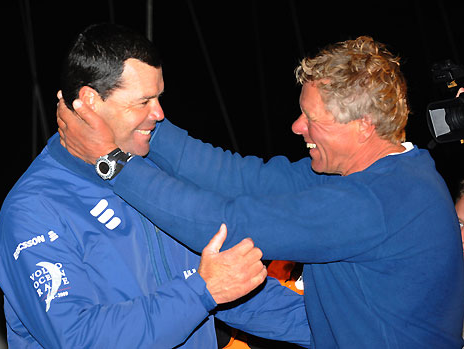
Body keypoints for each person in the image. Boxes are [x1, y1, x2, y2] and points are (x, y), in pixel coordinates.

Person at [58, 35, 464, 347]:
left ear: (362, 126)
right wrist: (140, 115)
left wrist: (110, 161)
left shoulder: (373, 203)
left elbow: (226, 226)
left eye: (311, 118)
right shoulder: (378, 174)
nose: (296, 127)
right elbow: (240, 178)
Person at [0, 23, 311, 348]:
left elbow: (236, 289)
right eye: (143, 102)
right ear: (89, 101)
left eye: (159, 98)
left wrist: (344, 327)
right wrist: (201, 291)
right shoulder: (33, 209)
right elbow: (79, 338)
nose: (159, 114)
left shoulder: (149, 176)